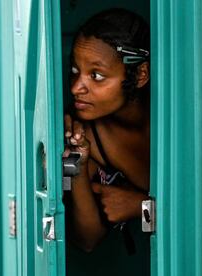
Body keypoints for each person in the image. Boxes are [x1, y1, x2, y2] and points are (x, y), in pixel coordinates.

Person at [63, 8, 150, 275]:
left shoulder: (179, 120)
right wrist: (76, 164)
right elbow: (87, 240)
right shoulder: (88, 134)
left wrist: (143, 207)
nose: (77, 87)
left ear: (141, 75)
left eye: (96, 76)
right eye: (75, 71)